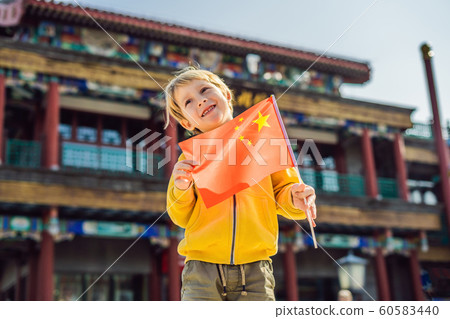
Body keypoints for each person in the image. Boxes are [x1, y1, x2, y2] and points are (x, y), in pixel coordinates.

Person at [164, 66, 316, 301]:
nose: (201, 100)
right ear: (186, 123)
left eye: (205, 89)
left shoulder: (263, 142)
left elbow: (283, 195)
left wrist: (295, 197)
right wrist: (181, 188)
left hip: (256, 269)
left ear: (226, 95)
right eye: (189, 102)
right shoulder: (189, 158)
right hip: (202, 270)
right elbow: (179, 216)